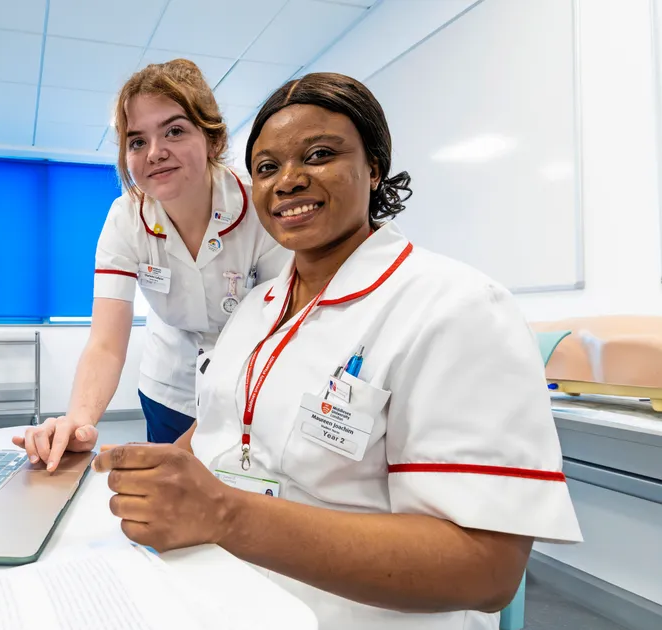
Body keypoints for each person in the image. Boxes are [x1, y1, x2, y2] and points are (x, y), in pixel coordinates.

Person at [90, 73, 582, 629]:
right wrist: (155, 471)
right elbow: (219, 428)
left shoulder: (456, 308)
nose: (289, 181)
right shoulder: (255, 310)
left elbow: (487, 571)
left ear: (374, 167)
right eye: (267, 167)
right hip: (229, 594)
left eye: (320, 155)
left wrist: (225, 515)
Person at [13, 59, 289, 470]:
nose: (155, 153)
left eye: (174, 131)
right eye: (137, 141)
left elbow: (280, 330)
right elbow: (106, 343)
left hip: (253, 387)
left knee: (243, 492)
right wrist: (79, 421)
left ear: (213, 140)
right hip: (171, 387)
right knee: (168, 498)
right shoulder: (125, 219)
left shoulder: (260, 208)